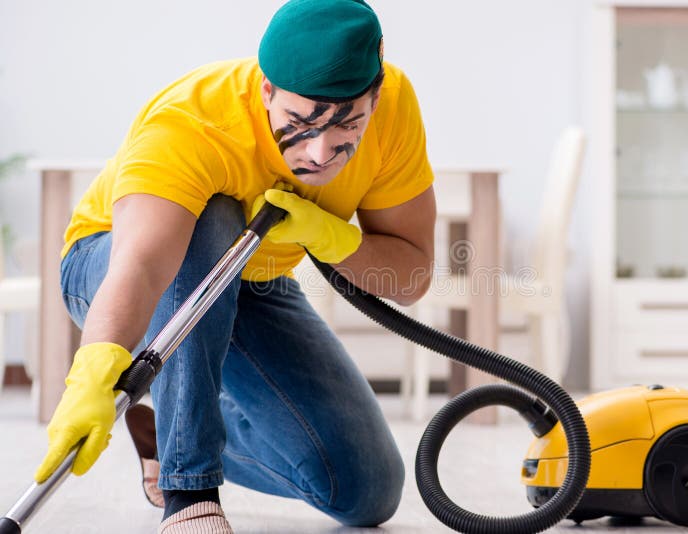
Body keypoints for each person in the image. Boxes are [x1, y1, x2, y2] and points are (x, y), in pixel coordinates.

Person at [33, 0, 436, 531]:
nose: (318, 153)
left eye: (344, 129)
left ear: (375, 98)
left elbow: (411, 277)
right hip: (115, 266)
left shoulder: (395, 107)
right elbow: (143, 266)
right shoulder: (194, 122)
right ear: (267, 91)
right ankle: (189, 493)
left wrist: (330, 236)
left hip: (250, 280)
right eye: (297, 122)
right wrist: (91, 375)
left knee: (365, 487)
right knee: (214, 214)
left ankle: (165, 425)